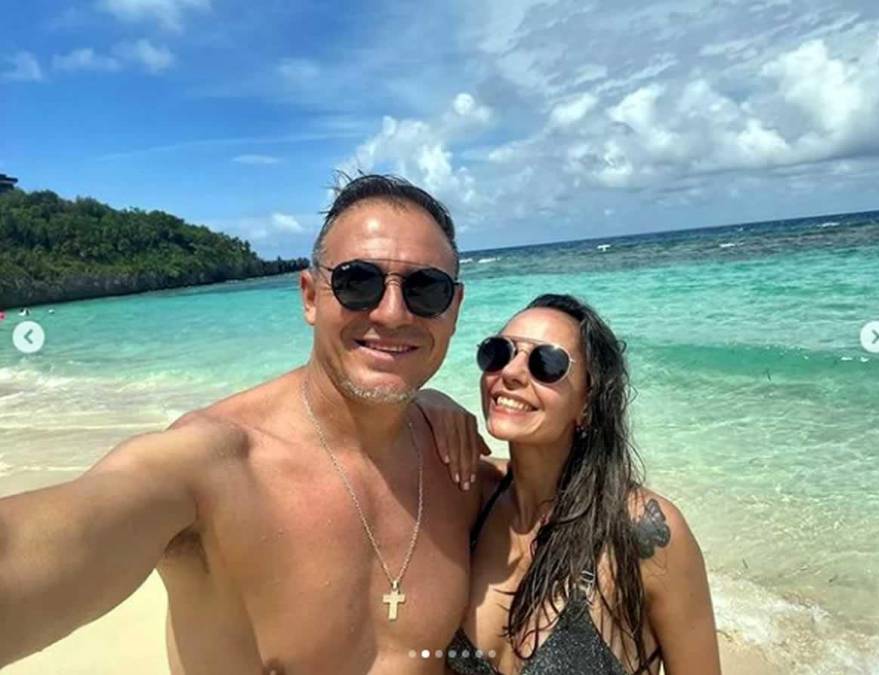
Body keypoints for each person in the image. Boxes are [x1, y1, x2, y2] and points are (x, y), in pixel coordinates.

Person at [0, 175, 491, 674]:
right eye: (357, 282)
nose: (392, 313)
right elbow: (44, 541)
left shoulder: (457, 467)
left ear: (454, 309)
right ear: (310, 297)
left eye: (426, 289)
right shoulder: (210, 468)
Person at [445, 294, 722, 675]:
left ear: (589, 402)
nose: (511, 372)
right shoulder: (469, 496)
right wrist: (429, 404)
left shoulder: (642, 532)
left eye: (546, 363)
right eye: (498, 352)